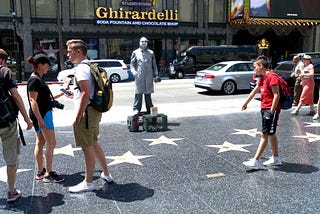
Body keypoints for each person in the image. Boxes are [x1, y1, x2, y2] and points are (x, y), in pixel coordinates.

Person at [66, 39, 113, 193]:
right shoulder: (90, 66)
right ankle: (106, 174)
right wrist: (75, 94)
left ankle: (88, 182)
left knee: (87, 147)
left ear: (78, 51)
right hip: (94, 110)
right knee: (93, 143)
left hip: (86, 113)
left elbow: (86, 93)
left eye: (69, 51)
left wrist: (78, 116)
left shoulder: (81, 69)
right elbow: (86, 91)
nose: (67, 55)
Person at [0, 49, 33, 202]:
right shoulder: (4, 71)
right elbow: (16, 96)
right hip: (6, 122)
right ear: (3, 60)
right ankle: (11, 192)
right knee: (11, 157)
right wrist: (27, 118)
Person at [27, 54, 65, 183]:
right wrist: (40, 119)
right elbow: (33, 100)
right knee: (51, 143)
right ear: (40, 65)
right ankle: (48, 174)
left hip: (40, 113)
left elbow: (46, 98)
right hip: (42, 114)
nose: (48, 67)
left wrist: (63, 92)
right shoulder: (34, 80)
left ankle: (40, 172)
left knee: (41, 142)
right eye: (47, 64)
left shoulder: (38, 78)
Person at [242, 56, 282, 169]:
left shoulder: (271, 77)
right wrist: (245, 103)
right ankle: (276, 158)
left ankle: (255, 161)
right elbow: (255, 91)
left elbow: (276, 95)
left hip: (270, 109)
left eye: (255, 67)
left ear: (261, 66)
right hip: (264, 108)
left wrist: (271, 111)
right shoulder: (263, 77)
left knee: (264, 134)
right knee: (271, 133)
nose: (254, 69)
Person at [130, 37, 159, 114]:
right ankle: (136, 108)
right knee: (138, 93)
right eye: (142, 41)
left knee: (148, 94)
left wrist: (156, 74)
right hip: (139, 76)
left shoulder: (151, 53)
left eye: (145, 41)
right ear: (139, 42)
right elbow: (132, 64)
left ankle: (149, 108)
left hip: (148, 76)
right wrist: (134, 72)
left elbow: (154, 65)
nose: (144, 43)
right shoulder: (135, 52)